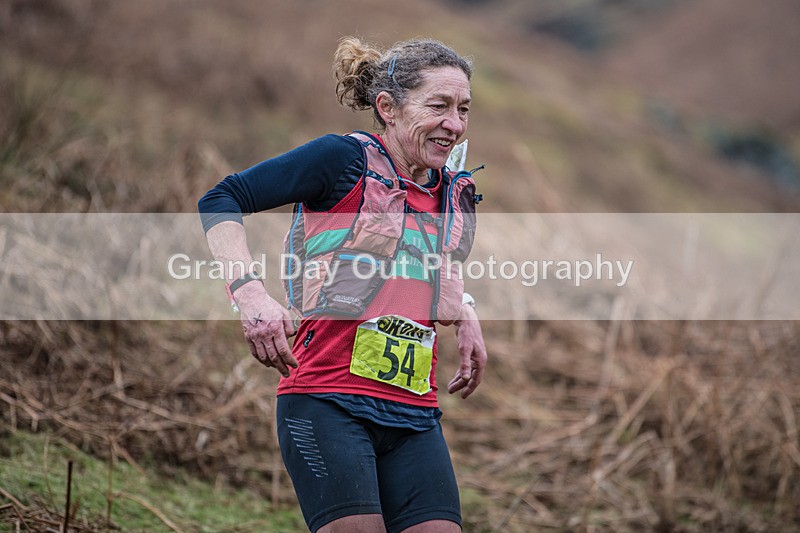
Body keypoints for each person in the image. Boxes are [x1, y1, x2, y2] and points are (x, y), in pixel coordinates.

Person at [198, 36, 487, 533]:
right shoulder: (341, 160)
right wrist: (249, 294)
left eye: (463, 109)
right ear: (388, 108)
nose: (455, 124)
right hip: (326, 400)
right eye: (438, 106)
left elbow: (424, 260)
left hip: (414, 412)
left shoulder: (450, 189)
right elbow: (222, 198)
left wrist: (465, 309)